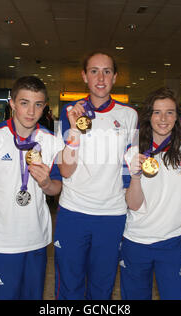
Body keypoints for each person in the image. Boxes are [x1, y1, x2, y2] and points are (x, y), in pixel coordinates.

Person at [54, 51, 138, 299]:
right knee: (70, 286)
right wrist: (74, 131)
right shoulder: (70, 111)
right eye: (94, 71)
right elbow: (66, 170)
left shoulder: (128, 115)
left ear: (115, 77)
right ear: (84, 76)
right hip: (73, 212)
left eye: (107, 71)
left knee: (102, 288)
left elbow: (128, 169)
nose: (100, 78)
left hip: (110, 215)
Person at [0, 76, 64, 300]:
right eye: (24, 103)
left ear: (45, 107)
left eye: (38, 104)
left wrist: (45, 183)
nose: (30, 111)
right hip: (2, 241)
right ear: (12, 103)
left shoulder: (51, 141)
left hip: (37, 238)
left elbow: (56, 188)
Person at [120, 87, 181, 300]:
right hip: (136, 240)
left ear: (177, 117)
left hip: (172, 241)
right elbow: (133, 204)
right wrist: (135, 176)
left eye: (170, 112)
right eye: (157, 112)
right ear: (148, 116)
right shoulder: (132, 152)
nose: (163, 118)